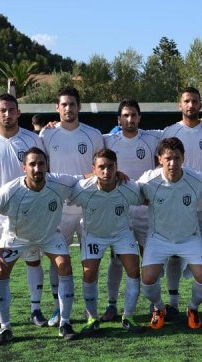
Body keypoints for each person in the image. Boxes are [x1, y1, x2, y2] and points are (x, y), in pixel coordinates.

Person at [0, 147, 80, 345]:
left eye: (41, 164)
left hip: (50, 236)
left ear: (46, 166)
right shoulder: (11, 190)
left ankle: (65, 323)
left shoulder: (58, 182)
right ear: (24, 167)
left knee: (65, 265)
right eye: (32, 164)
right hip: (17, 238)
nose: (37, 168)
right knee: (0, 271)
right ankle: (5, 328)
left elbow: (84, 178)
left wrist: (112, 174)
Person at [0, 93, 48, 331]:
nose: (7, 114)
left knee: (33, 260)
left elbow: (42, 171)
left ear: (18, 113)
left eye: (11, 110)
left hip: (28, 213)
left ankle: (35, 310)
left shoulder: (31, 139)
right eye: (3, 110)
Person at [160, 87, 202, 318]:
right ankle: (173, 302)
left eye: (195, 101)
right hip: (176, 205)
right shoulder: (169, 132)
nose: (191, 105)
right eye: (187, 101)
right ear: (179, 105)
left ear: (201, 105)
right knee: (174, 254)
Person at [40, 87, 104, 327]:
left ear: (79, 107)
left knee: (90, 261)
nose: (68, 108)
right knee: (57, 260)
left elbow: (100, 169)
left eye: (72, 104)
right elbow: (41, 168)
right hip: (58, 208)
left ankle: (91, 312)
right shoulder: (46, 135)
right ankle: (57, 308)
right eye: (64, 104)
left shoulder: (93, 134)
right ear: (57, 108)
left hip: (88, 207)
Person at [137, 137, 202, 330]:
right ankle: (159, 307)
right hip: (158, 238)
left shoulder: (196, 179)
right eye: (168, 158)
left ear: (183, 158)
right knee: (147, 279)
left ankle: (192, 308)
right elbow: (133, 193)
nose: (172, 163)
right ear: (159, 159)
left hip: (189, 237)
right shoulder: (148, 180)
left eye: (177, 158)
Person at [69, 148, 145, 335]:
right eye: (101, 167)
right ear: (93, 169)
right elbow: (64, 192)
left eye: (110, 167)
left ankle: (128, 317)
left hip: (121, 233)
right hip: (93, 235)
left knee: (134, 270)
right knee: (89, 273)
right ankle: (92, 318)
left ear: (117, 167)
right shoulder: (82, 188)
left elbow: (146, 199)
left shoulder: (129, 187)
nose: (106, 171)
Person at [100, 99, 162, 322]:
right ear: (119, 119)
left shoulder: (153, 138)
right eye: (125, 115)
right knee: (116, 259)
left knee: (149, 258)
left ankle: (155, 304)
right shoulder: (108, 140)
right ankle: (111, 305)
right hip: (120, 211)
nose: (130, 119)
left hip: (145, 209)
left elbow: (181, 131)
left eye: (134, 115)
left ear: (139, 117)